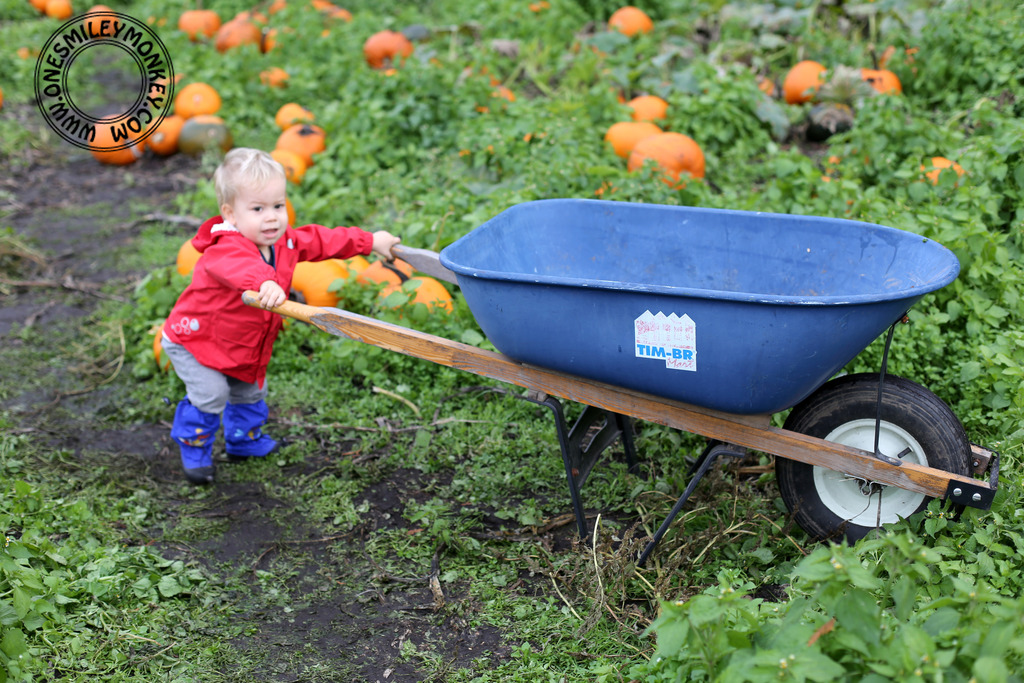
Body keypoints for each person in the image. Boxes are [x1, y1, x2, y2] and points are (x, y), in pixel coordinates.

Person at [161, 147, 400, 484]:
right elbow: (240, 268)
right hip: (197, 339)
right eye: (258, 209)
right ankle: (194, 447)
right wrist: (266, 281)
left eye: (277, 206)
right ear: (230, 213)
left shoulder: (283, 242)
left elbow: (322, 240)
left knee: (250, 390)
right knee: (211, 394)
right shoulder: (225, 247)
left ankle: (244, 443)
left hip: (240, 342)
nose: (271, 217)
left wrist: (370, 241)